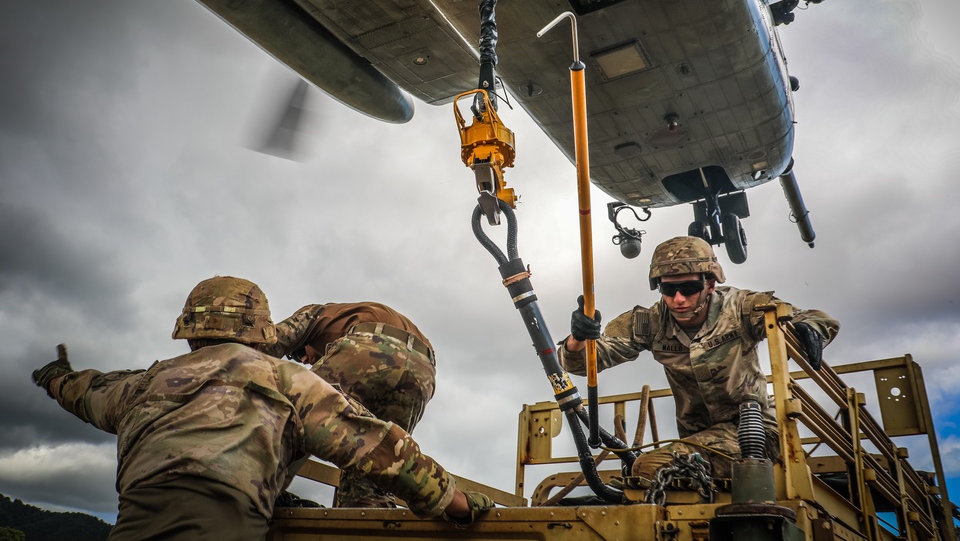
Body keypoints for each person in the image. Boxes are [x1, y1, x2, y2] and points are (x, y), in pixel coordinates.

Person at [32, 276, 491, 540]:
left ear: (190, 332)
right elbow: (377, 446)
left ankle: (275, 490)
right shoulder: (285, 380)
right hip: (423, 370)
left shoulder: (145, 384)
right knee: (343, 446)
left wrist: (56, 377)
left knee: (295, 425)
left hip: (133, 522)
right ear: (253, 328)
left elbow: (87, 391)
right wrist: (456, 502)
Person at [558, 236, 839, 483]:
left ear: (710, 284)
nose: (678, 299)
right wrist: (578, 339)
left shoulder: (741, 307)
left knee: (647, 468)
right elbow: (582, 363)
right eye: (669, 290)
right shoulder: (650, 322)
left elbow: (811, 318)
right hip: (696, 441)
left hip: (753, 434)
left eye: (688, 288)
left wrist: (811, 330)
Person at [258, 302, 436, 507]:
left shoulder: (316, 313)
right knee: (378, 456)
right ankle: (366, 524)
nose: (305, 360)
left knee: (293, 414)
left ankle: (257, 493)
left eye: (298, 353)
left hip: (370, 345)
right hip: (423, 371)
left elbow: (265, 343)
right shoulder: (356, 315)